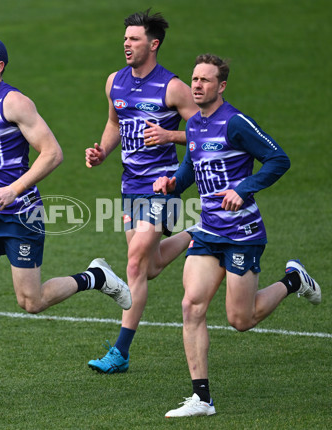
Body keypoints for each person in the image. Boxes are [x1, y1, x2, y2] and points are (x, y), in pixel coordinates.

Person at [0, 36, 132, 411]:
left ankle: (96, 277)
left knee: (31, 301)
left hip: (21, 215)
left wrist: (13, 189)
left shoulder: (15, 102)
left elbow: (53, 153)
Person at [154, 54, 321, 418]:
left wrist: (244, 189)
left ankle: (294, 280)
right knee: (191, 305)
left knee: (240, 320)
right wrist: (172, 184)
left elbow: (279, 159)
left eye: (205, 80)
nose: (197, 85)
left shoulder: (236, 122)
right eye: (194, 79)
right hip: (209, 231)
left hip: (243, 234)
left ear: (221, 86)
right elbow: (190, 170)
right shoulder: (194, 125)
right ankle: (202, 399)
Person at [84, 9, 200, 374]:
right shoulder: (114, 82)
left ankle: (120, 351)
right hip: (129, 185)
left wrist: (170, 136)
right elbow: (114, 123)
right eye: (125, 39)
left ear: (154, 44)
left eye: (134, 39)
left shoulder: (173, 87)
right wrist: (102, 151)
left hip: (161, 185)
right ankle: (198, 234)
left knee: (134, 262)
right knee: (147, 268)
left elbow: (208, 131)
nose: (126, 44)